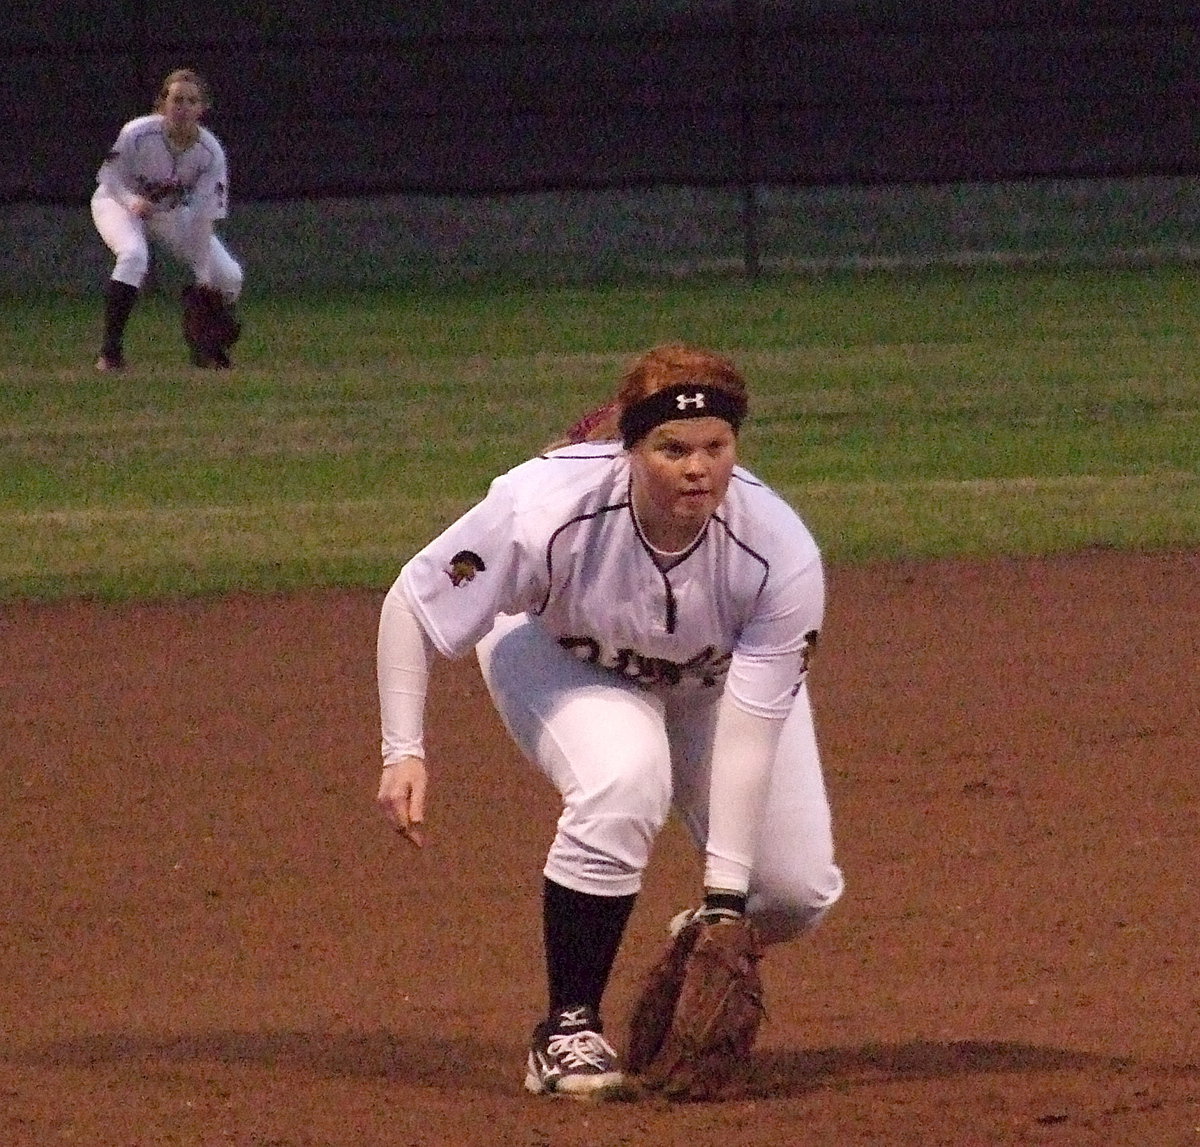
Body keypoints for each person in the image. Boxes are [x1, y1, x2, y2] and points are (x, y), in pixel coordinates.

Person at [376, 343, 844, 1099]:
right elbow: (414, 601)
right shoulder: (545, 506)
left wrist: (724, 903)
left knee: (792, 892)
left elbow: (755, 720)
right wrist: (404, 750)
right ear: (630, 448)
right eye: (673, 448)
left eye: (716, 447)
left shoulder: (777, 549)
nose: (698, 466)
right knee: (626, 776)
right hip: (560, 656)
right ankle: (566, 1029)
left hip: (711, 686)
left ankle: (695, 929)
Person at [91, 67, 243, 370]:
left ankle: (207, 348)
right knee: (134, 256)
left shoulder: (210, 153)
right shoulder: (137, 132)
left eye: (191, 101)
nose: (183, 107)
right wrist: (132, 200)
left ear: (203, 108)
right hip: (117, 201)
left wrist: (202, 278)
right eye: (176, 100)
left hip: (167, 212)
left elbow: (202, 215)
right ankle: (110, 353)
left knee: (229, 277)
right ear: (163, 104)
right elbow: (108, 176)